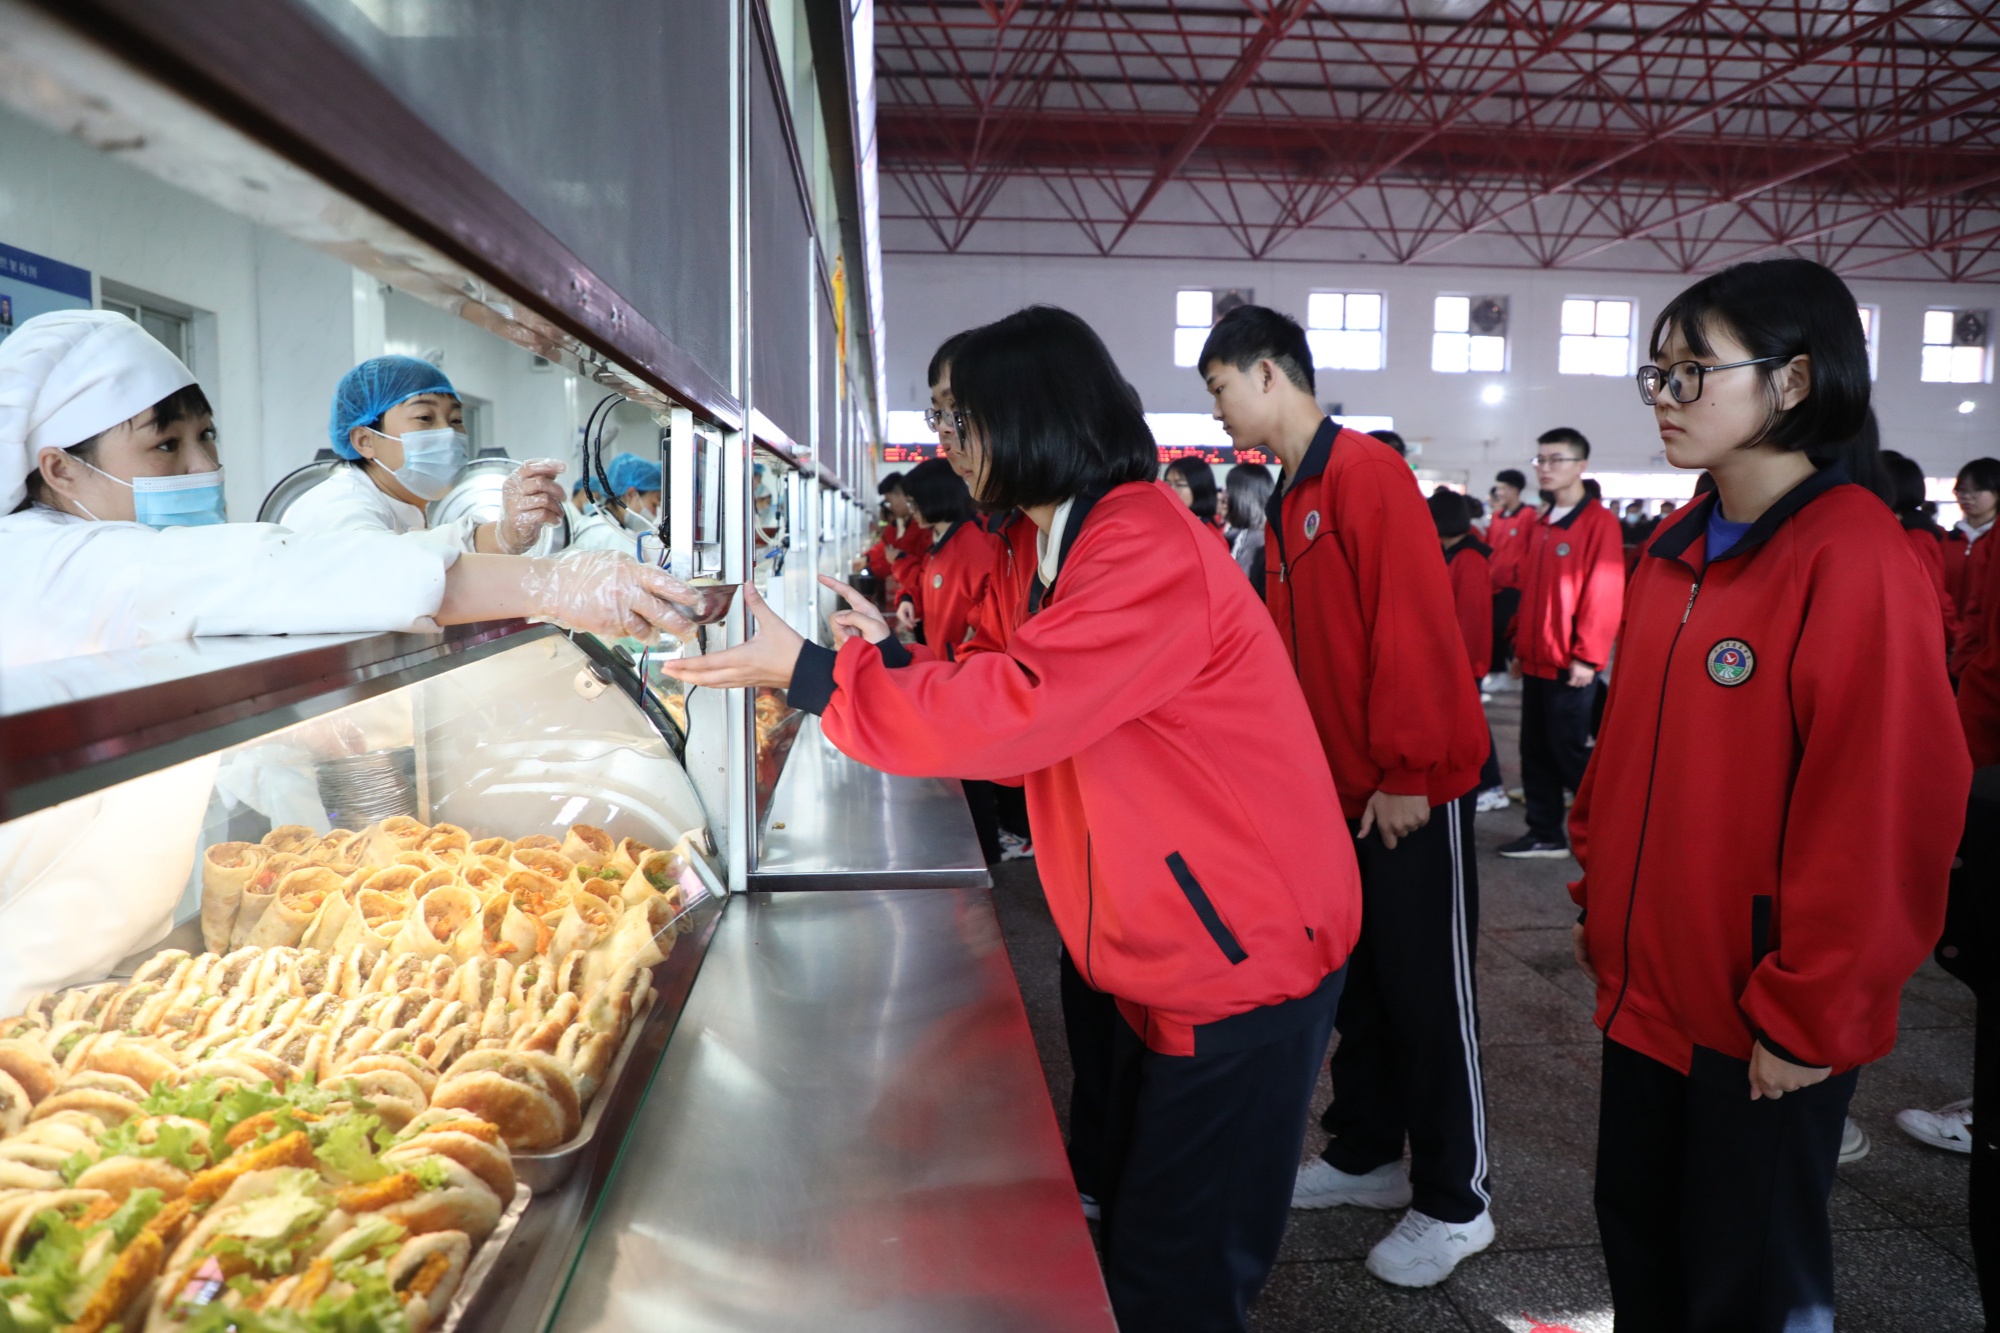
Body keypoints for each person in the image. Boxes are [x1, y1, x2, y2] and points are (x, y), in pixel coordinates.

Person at [666, 305, 1362, 1333]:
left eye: (959, 418)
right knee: (1142, 1230)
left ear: (1032, 411)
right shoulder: (1067, 542)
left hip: (1236, 953)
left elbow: (1024, 704)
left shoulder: (1139, 541)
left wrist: (818, 673)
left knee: (1176, 1277)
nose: (945, 443)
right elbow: (1025, 683)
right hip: (1170, 937)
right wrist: (894, 662)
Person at [0, 310, 695, 1007]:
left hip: (103, 964)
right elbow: (294, 572)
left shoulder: (121, 551)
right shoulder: (54, 559)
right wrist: (561, 586)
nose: (203, 467)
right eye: (165, 445)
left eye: (207, 437)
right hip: (26, 969)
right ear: (58, 467)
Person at [1571, 257, 1969, 1331]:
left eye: (1692, 371)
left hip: (1757, 1013)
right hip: (1645, 991)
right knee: (1642, 1248)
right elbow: (1619, 760)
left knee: (1745, 1281)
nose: (1664, 396)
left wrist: (1807, 1010)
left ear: (1791, 383)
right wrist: (1596, 885)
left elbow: (1884, 814)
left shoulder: (1852, 559)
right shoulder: (1670, 550)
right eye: (1654, 372)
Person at [1199, 305, 1494, 1288]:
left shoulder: (1363, 475)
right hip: (1338, 796)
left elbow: (1408, 624)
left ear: (1269, 371)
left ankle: (1457, 1200)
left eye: (1219, 385)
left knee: (1426, 995)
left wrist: (1406, 769)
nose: (1217, 406)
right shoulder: (1290, 494)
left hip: (1404, 789)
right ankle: (1366, 1153)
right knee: (1361, 983)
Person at [283, 355, 565, 555]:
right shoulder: (339, 508)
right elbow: (395, 570)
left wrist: (511, 534)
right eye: (425, 417)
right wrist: (503, 536)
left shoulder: (409, 507)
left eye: (455, 420)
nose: (447, 434)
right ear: (365, 440)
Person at [1496, 429, 1624, 859]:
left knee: (1568, 751)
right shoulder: (1541, 521)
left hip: (1571, 664)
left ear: (1581, 466)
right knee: (1534, 751)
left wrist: (1588, 656)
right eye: (1540, 460)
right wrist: (1517, 644)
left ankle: (1616, 827)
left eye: (1556, 460)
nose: (1545, 468)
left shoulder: (1597, 523)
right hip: (1534, 659)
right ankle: (1545, 832)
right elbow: (1528, 587)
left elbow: (1603, 593)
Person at [1431, 490, 1507, 814]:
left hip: (1463, 662)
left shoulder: (1470, 558)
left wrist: (1466, 665)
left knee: (1471, 727)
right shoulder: (1448, 552)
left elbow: (1472, 620)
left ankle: (1492, 785)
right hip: (1449, 660)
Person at [1875, 444, 1955, 649]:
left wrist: (1955, 640)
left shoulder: (1916, 537)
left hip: (1916, 641)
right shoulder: (1898, 530)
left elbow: (1935, 597)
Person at [1951, 458, 2000, 677]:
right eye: (1961, 490)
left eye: (1977, 490)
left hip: (1981, 648)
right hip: (1944, 641)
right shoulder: (1945, 538)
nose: (1966, 497)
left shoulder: (1994, 541)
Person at [1484, 468, 1532, 691]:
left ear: (1514, 490)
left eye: (1502, 488)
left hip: (1515, 586)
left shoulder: (1528, 516)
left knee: (1504, 629)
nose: (1498, 492)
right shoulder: (1497, 517)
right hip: (1493, 585)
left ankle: (1504, 671)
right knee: (1492, 629)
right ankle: (1499, 671)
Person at [566, 452, 663, 553]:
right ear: (631, 494)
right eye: (654, 504)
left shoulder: (596, 521)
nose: (656, 513)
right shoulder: (612, 536)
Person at [1223, 463, 1275, 596]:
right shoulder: (1238, 536)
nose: (1223, 496)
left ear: (1243, 496)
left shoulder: (1257, 541)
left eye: (1228, 489)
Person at [1162, 457, 1228, 544]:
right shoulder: (1166, 524)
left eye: (1180, 484)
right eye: (1167, 483)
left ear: (1200, 488)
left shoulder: (1211, 537)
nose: (1171, 489)